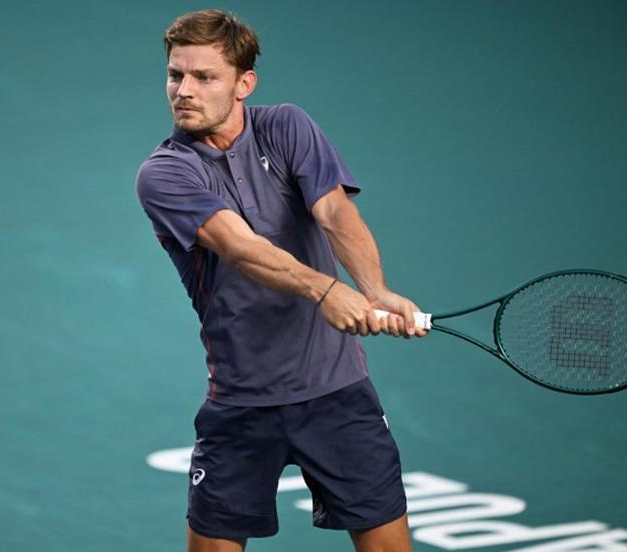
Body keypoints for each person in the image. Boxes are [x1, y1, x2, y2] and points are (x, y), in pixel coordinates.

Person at [135, 9, 427, 552]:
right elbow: (241, 248)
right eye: (175, 75)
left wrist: (375, 289)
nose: (184, 90)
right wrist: (326, 289)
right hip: (242, 404)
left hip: (338, 394)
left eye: (205, 77)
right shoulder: (164, 173)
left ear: (244, 84)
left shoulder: (287, 126)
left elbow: (336, 215)